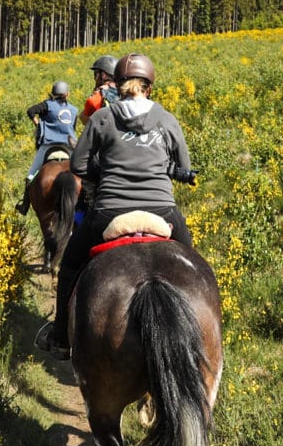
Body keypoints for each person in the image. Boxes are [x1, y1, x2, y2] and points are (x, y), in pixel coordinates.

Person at [35, 53, 197, 360]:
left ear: (119, 84)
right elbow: (184, 165)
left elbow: (80, 165)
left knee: (70, 264)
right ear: (149, 87)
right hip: (162, 211)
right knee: (194, 266)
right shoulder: (167, 118)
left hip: (110, 211)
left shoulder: (101, 118)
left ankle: (60, 337)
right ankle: (197, 340)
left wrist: (106, 165)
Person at [14, 81, 80, 215]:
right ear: (67, 94)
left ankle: (25, 205)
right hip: (69, 146)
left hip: (48, 145)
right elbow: (72, 128)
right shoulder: (74, 110)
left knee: (31, 176)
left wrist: (37, 123)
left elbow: (30, 111)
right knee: (83, 174)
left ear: (53, 93)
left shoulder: (47, 105)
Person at [80, 54, 119, 124]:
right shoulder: (127, 93)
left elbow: (83, 119)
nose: (94, 78)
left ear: (103, 75)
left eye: (96, 74)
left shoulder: (96, 98)